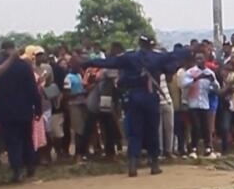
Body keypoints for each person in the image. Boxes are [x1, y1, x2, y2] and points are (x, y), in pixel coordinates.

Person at [85, 34, 189, 176]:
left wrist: (87, 62)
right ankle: (154, 164)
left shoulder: (129, 57)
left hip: (133, 96)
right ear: (152, 44)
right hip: (150, 96)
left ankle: (133, 165)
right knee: (152, 130)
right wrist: (191, 50)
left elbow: (109, 62)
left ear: (139, 43)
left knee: (134, 131)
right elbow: (174, 58)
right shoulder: (157, 57)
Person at [0, 43, 42, 183]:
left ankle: (17, 171)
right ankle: (30, 170)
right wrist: (38, 108)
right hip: (24, 110)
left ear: (3, 51)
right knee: (27, 140)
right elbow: (33, 89)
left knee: (12, 141)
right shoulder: (24, 66)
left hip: (6, 110)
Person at [181, 52, 219, 158]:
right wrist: (197, 78)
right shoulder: (190, 72)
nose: (199, 60)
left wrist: (212, 82)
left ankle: (208, 148)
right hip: (193, 103)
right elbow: (184, 84)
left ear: (205, 60)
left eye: (201, 59)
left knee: (206, 127)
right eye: (197, 59)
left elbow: (216, 88)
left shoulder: (210, 73)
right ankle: (193, 148)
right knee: (196, 126)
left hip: (205, 103)